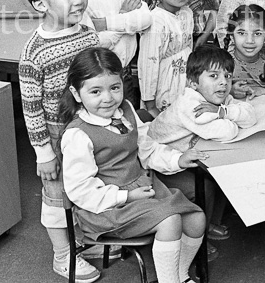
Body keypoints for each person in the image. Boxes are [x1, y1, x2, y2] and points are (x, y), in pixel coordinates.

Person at [60, 47, 208, 283]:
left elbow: (147, 148)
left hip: (142, 189)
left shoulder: (126, 110)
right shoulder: (77, 135)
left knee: (196, 218)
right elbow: (80, 191)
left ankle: (179, 276)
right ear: (77, 94)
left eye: (114, 88)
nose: (108, 98)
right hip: (108, 207)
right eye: (95, 91)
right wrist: (127, 197)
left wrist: (177, 159)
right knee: (171, 221)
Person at [16, 0, 103, 282]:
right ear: (42, 4)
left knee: (89, 184)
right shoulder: (34, 52)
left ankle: (84, 241)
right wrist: (44, 153)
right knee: (58, 196)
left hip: (89, 128)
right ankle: (63, 256)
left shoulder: (88, 35)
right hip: (57, 134)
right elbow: (31, 108)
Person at [138, 0, 196, 119]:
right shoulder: (156, 21)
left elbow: (189, 47)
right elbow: (148, 64)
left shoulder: (187, 13)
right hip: (164, 83)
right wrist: (150, 105)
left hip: (184, 79)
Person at [222, 4, 265, 97]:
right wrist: (229, 91)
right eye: (241, 33)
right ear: (232, 36)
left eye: (257, 33)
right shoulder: (220, 64)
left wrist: (262, 91)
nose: (249, 41)